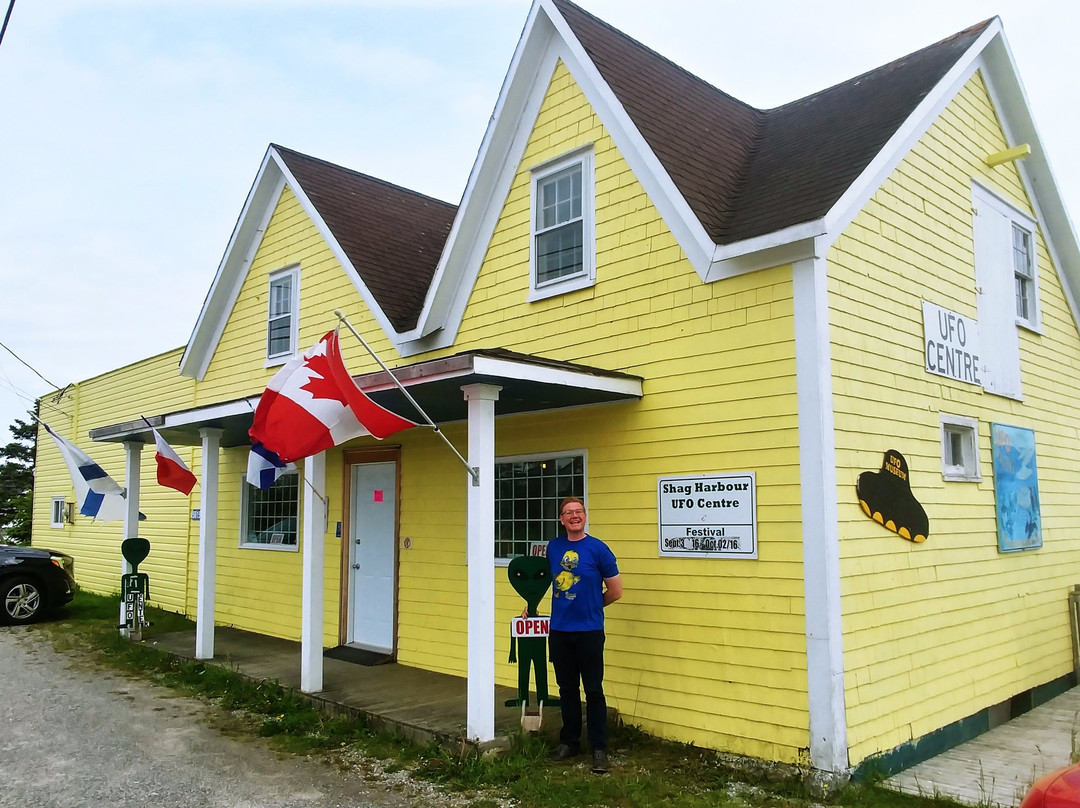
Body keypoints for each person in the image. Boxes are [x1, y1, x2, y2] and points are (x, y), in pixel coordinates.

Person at [546, 495, 622, 773]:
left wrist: (591, 605)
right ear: (561, 519)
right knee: (566, 689)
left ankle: (599, 748)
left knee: (593, 690)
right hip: (560, 631)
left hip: (589, 631)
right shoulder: (553, 548)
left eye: (578, 511)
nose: (574, 516)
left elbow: (615, 590)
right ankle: (569, 742)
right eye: (568, 512)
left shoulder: (598, 549)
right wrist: (528, 607)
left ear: (585, 516)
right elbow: (549, 582)